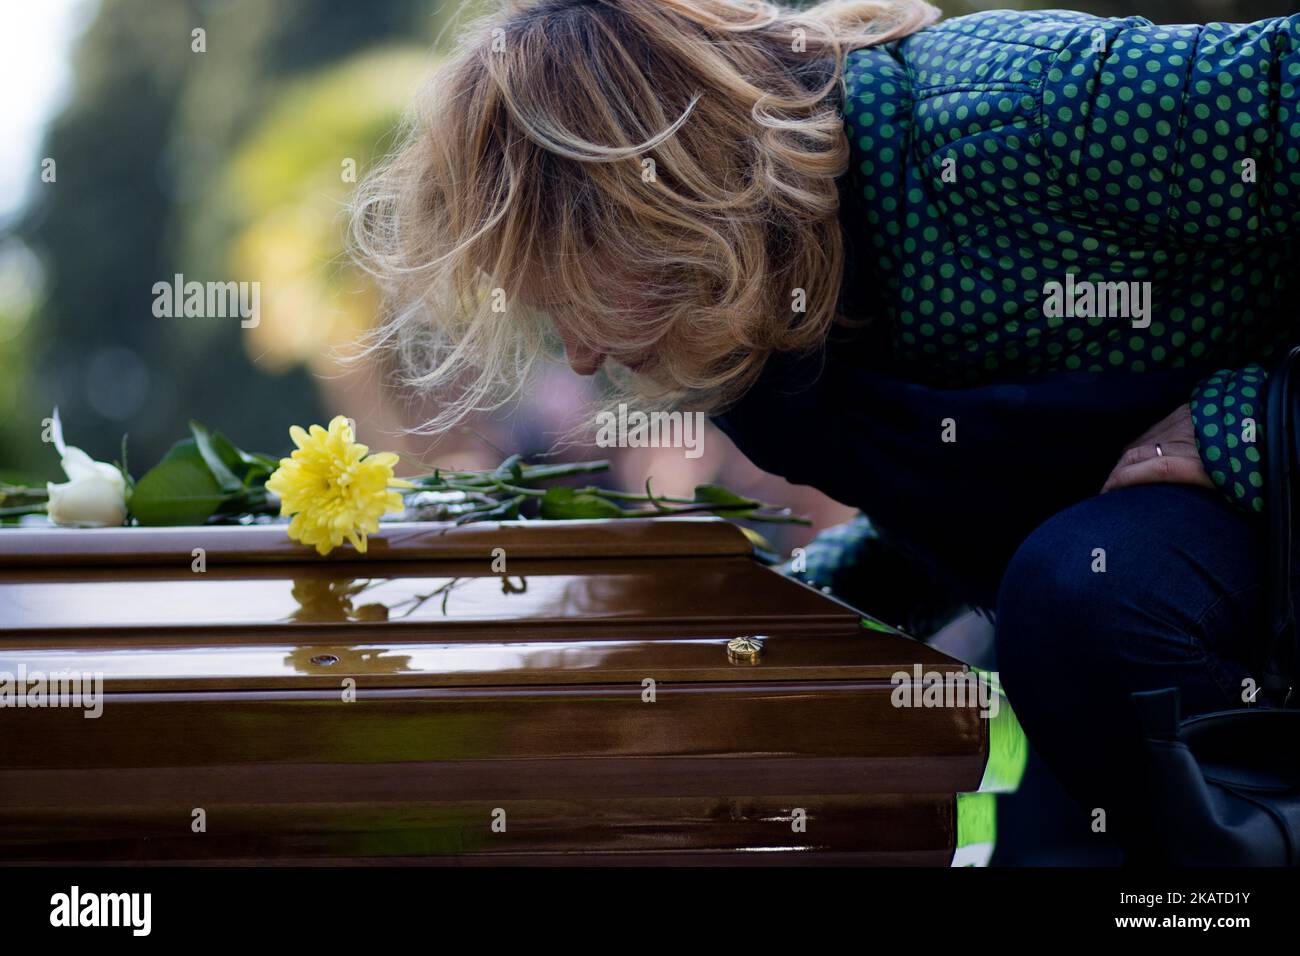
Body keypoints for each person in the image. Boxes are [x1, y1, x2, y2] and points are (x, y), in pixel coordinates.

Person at [352, 0, 1300, 860]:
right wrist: (762, 624)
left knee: (1081, 600)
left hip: (1215, 565)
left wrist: (1254, 428)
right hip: (1138, 627)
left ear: (655, 200)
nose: (586, 356)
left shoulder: (1022, 110)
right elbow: (977, 496)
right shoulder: (744, 325)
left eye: (577, 294)